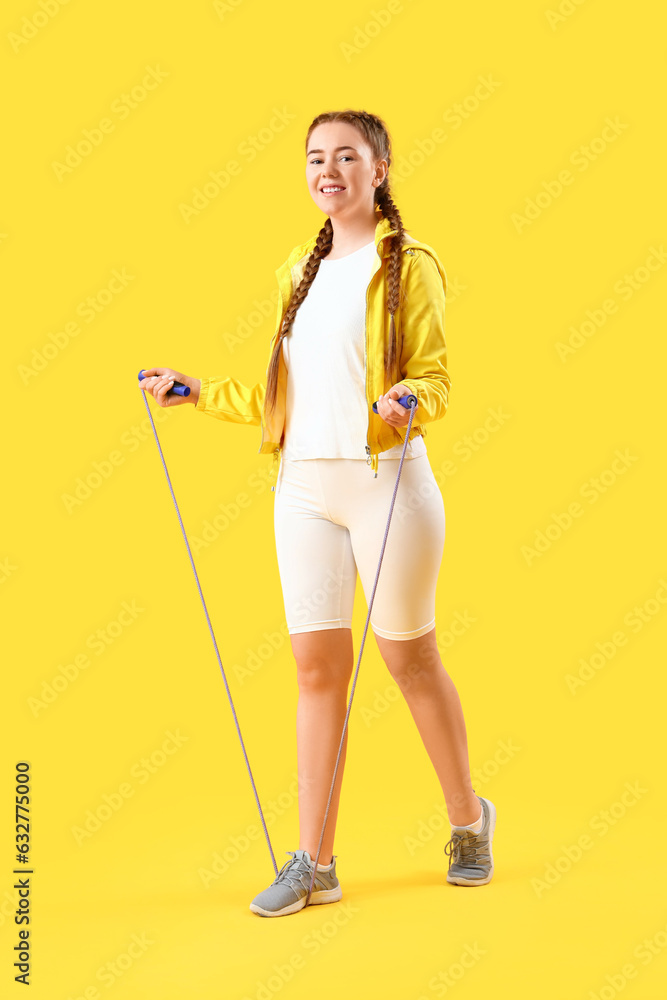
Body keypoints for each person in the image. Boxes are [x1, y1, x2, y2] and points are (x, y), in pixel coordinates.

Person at [139, 109, 496, 918]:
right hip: (301, 488)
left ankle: (468, 822)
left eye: (346, 156)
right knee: (313, 671)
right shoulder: (296, 267)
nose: (327, 169)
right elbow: (283, 394)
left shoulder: (411, 264)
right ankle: (315, 862)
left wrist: (409, 396)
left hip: (386, 480)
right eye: (314, 158)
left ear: (380, 168)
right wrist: (194, 392)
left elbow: (437, 376)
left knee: (409, 662)